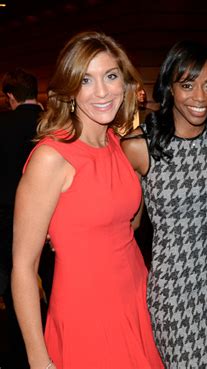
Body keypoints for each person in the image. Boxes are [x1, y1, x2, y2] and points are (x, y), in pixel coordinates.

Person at [11, 31, 164, 369]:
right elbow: (23, 268)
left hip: (136, 298)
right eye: (86, 80)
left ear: (123, 83)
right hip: (87, 314)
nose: (102, 91)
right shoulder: (51, 158)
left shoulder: (114, 142)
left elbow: (125, 222)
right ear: (69, 90)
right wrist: (38, 359)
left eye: (110, 76)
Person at [121, 40, 207, 368]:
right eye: (187, 85)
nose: (200, 98)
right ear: (169, 88)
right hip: (174, 293)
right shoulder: (139, 146)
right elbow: (123, 222)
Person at [0, 68, 45, 369]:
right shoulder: (52, 124)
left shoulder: (2, 125)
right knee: (54, 284)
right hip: (54, 222)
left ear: (11, 96)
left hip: (7, 220)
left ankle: (20, 349)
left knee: (16, 278)